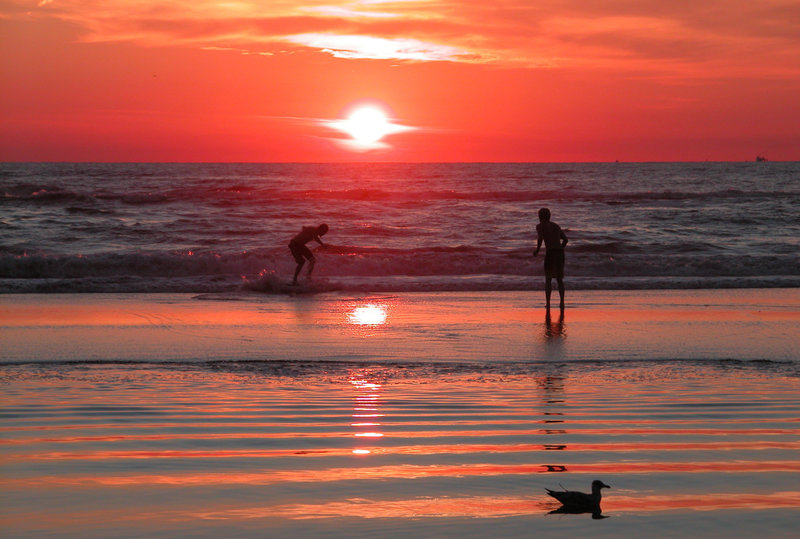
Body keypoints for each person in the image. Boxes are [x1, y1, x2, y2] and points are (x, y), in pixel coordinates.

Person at [533, 208, 568, 310]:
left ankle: (548, 303)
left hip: (551, 253)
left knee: (548, 279)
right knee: (559, 279)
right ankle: (562, 303)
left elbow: (540, 238)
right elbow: (565, 240)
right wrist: (561, 248)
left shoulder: (540, 226)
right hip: (560, 253)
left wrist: (537, 250)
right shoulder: (556, 226)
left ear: (540, 216)